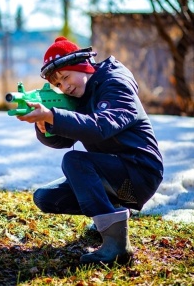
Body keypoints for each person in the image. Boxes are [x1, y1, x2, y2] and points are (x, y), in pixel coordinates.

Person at [16, 36, 163, 265]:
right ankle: (111, 212)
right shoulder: (82, 95)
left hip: (141, 174)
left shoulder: (115, 83)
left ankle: (117, 247)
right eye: (59, 85)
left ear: (83, 65)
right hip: (115, 177)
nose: (65, 87)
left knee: (75, 162)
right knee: (46, 197)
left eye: (66, 77)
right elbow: (64, 141)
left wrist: (53, 116)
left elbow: (101, 127)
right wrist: (44, 126)